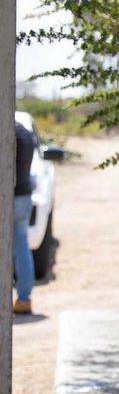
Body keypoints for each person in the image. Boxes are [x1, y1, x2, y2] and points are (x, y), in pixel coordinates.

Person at [13, 119, 35, 314]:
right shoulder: (25, 132)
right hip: (24, 195)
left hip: (9, 199)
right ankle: (24, 299)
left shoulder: (8, 132)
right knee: (21, 248)